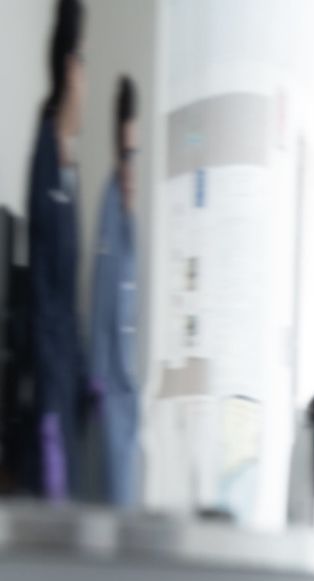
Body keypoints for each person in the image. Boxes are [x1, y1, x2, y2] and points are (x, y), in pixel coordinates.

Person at [28, 0, 88, 502]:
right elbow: (48, 291)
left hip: (67, 376)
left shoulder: (69, 165)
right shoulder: (47, 156)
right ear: (71, 70)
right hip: (51, 379)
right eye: (84, 67)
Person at [88, 74, 140, 506]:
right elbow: (102, 301)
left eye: (135, 154)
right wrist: (98, 380)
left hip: (128, 387)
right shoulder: (112, 209)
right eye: (126, 154)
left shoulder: (130, 216)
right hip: (110, 390)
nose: (131, 168)